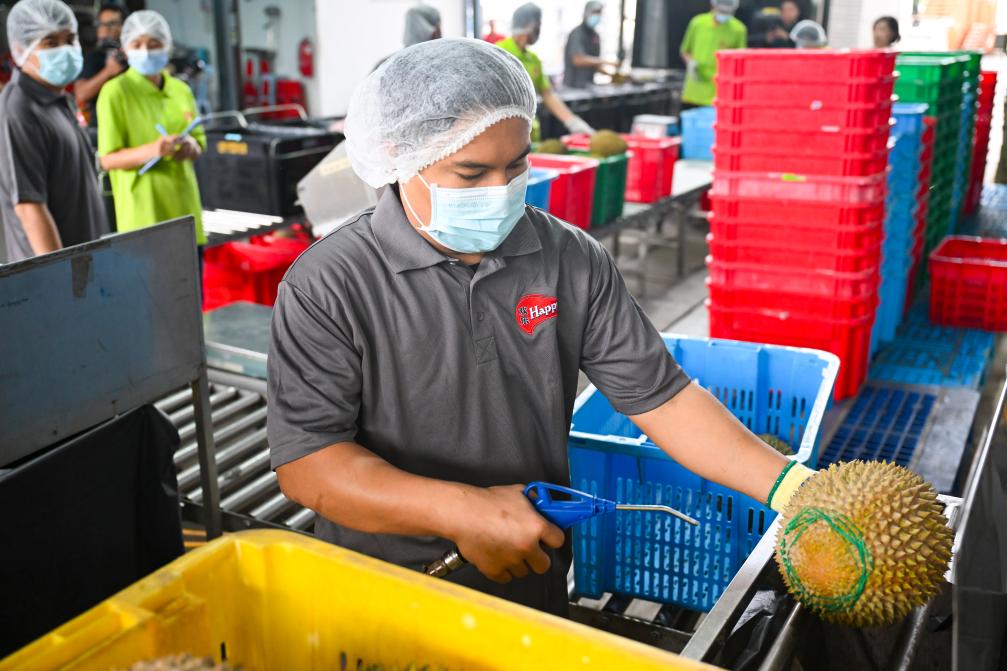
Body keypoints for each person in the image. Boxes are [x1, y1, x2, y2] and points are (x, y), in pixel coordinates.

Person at [267, 37, 818, 615]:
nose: (499, 192)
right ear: (398, 155)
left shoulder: (568, 258)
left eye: (516, 166)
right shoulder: (329, 282)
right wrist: (461, 510)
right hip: (383, 585)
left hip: (530, 571)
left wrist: (793, 490)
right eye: (471, 171)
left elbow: (664, 399)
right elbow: (310, 462)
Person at [0, 0, 109, 263]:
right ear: (20, 50)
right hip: (56, 279)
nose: (66, 50)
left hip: (86, 266)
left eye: (70, 39)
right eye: (50, 43)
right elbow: (29, 206)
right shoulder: (19, 109)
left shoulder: (61, 99)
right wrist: (61, 279)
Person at [96, 10, 205, 246]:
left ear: (167, 46)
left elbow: (199, 143)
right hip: (143, 219)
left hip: (186, 212)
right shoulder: (115, 92)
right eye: (137, 43)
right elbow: (107, 160)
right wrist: (154, 150)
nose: (145, 50)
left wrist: (190, 146)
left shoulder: (180, 90)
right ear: (125, 49)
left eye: (154, 43)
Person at [496, 3, 594, 139]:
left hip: (531, 134)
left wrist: (572, 121)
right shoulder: (498, 53)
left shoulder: (534, 60)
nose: (540, 30)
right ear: (532, 25)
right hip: (504, 136)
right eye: (539, 25)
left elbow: (547, 94)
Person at [680, 0, 747, 108]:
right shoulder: (697, 23)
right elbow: (685, 50)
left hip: (720, 91)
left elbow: (740, 60)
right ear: (713, 5)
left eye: (727, 12)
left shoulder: (739, 29)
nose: (724, 14)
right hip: (695, 88)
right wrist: (690, 63)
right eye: (721, 10)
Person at [74, 3, 127, 127]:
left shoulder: (134, 57)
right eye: (101, 24)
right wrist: (108, 71)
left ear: (124, 27)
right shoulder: (93, 57)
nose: (105, 29)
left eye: (111, 24)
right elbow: (81, 94)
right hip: (101, 126)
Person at [563, 1, 619, 89]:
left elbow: (594, 64)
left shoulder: (595, 36)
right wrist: (607, 62)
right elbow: (577, 60)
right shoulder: (577, 33)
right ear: (586, 13)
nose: (597, 16)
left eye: (599, 13)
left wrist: (612, 75)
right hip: (572, 87)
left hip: (589, 87)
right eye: (595, 12)